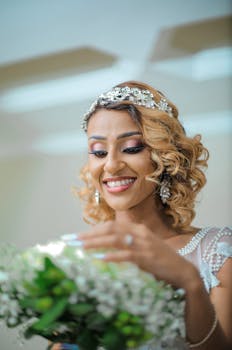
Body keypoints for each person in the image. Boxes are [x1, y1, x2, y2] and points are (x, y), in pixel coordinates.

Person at [51, 81, 232, 350]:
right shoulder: (77, 259)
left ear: (165, 157)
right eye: (99, 151)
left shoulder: (217, 252)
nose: (111, 164)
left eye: (132, 147)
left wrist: (189, 281)